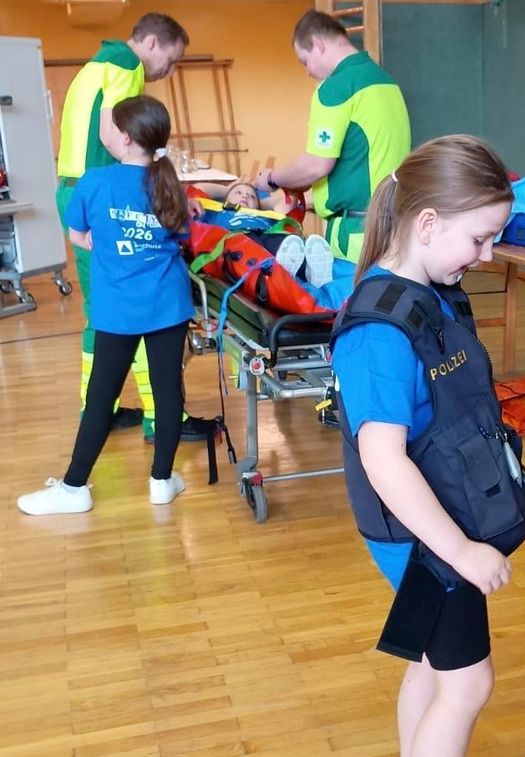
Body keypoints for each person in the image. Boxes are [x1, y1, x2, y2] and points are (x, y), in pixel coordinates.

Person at [330, 135, 525, 757]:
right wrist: (461, 550)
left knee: (432, 663)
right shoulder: (379, 333)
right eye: (480, 238)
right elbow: (384, 460)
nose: (486, 255)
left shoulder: (432, 296)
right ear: (427, 224)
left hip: (442, 523)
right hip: (423, 536)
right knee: (467, 684)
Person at [19, 95, 193, 515]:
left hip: (118, 311)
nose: (107, 133)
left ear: (127, 138)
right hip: (169, 305)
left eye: (112, 127)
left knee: (101, 398)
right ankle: (161, 481)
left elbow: (78, 235)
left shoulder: (94, 182)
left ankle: (75, 487)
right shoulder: (170, 184)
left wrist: (102, 240)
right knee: (169, 395)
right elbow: (182, 237)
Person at [56, 12, 205, 445]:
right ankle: (163, 420)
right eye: (172, 61)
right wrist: (163, 186)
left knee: (103, 309)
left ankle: (97, 408)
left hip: (79, 191)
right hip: (102, 198)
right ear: (154, 42)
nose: (168, 72)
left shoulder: (95, 65)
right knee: (141, 303)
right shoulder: (127, 65)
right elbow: (115, 135)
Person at [253, 10, 411, 264]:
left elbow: (317, 164)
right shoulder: (386, 81)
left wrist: (271, 178)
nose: (307, 72)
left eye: (304, 61)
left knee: (349, 302)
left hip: (357, 231)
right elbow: (360, 155)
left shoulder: (336, 88)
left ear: (318, 45)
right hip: (396, 225)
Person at [190, 181, 335, 285]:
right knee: (252, 245)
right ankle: (281, 274)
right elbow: (199, 188)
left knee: (285, 241)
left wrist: (262, 204)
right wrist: (228, 188)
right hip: (236, 240)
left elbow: (287, 202)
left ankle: (310, 271)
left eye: (251, 196)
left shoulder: (264, 215)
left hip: (266, 235)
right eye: (238, 193)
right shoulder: (217, 210)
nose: (245, 197)